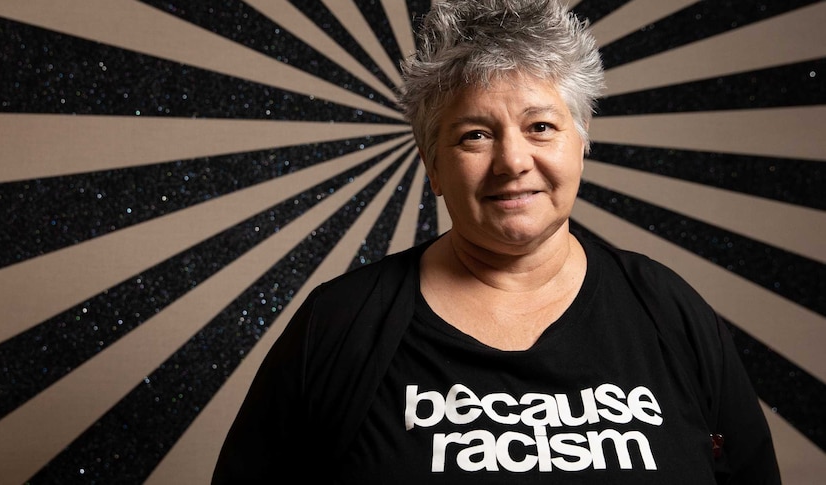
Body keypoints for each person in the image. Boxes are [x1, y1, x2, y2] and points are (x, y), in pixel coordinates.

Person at [212, 0, 780, 483]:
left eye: (540, 127)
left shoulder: (668, 311)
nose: (512, 162)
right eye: (475, 135)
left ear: (580, 146)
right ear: (433, 166)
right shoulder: (338, 327)